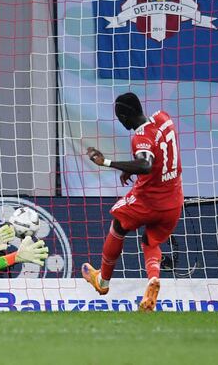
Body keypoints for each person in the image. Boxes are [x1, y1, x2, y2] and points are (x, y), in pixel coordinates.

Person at [81, 92, 184, 312]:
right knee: (150, 241)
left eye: (119, 117)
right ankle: (152, 280)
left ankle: (103, 281)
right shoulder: (163, 118)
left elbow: (145, 164)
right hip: (174, 201)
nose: (120, 121)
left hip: (149, 201)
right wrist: (134, 170)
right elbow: (156, 158)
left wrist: (106, 161)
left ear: (125, 116)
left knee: (118, 223)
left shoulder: (140, 137)